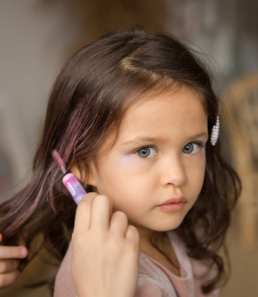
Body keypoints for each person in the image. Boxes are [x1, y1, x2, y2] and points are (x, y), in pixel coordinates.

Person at [0, 27, 241, 296]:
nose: (178, 176)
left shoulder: (184, 230)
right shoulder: (90, 279)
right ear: (80, 162)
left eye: (190, 146)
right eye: (145, 151)